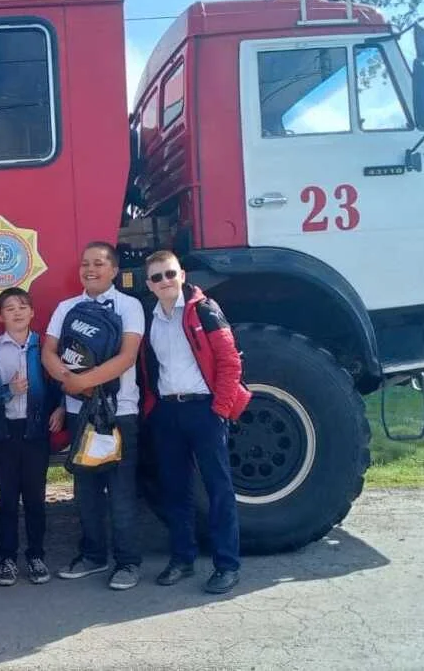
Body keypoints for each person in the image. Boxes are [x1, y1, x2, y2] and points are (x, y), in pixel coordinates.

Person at [139, 250, 251, 595]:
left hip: (204, 410)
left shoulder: (204, 310)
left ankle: (227, 565)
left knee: (219, 490)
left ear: (182, 275)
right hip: (168, 413)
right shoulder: (149, 318)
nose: (164, 282)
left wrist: (219, 408)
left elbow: (230, 361)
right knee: (175, 491)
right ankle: (182, 559)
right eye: (157, 277)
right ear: (148, 284)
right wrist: (152, 409)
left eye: (170, 274)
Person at [42, 241, 145, 591]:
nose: (90, 269)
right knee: (85, 490)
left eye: (99, 264)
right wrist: (68, 383)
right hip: (77, 415)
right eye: (85, 263)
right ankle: (92, 556)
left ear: (114, 269)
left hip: (119, 413)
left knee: (120, 492)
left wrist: (83, 383)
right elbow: (49, 351)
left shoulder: (130, 305)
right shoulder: (66, 307)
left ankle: (128, 563)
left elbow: (127, 356)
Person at [0, 287, 65, 587]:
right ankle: (6, 557)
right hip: (4, 432)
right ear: (0, 317)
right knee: (5, 497)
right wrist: (9, 391)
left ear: (33, 313)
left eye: (23, 307)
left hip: (35, 431)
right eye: (10, 308)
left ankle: (35, 555)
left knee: (34, 497)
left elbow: (58, 382)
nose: (17, 312)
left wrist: (61, 409)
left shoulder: (43, 347)